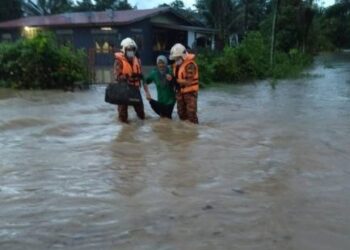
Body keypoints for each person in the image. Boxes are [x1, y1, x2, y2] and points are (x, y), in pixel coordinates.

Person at [113, 37, 148, 123]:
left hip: (135, 88)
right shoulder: (119, 61)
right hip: (123, 89)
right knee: (123, 116)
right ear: (124, 50)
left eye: (133, 49)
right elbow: (117, 76)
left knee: (141, 113)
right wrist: (129, 76)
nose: (131, 51)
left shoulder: (137, 60)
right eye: (129, 49)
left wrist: (139, 76)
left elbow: (141, 75)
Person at [169, 43, 199, 124]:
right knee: (181, 114)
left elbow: (189, 82)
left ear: (183, 56)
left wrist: (175, 80)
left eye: (177, 58)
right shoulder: (176, 65)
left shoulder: (190, 65)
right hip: (180, 93)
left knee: (191, 114)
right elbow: (175, 79)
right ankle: (185, 134)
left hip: (190, 93)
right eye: (175, 58)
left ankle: (193, 132)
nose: (176, 60)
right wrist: (172, 80)